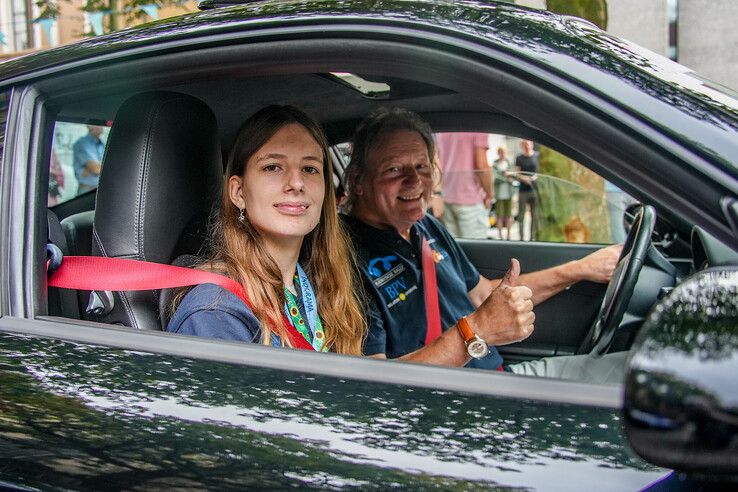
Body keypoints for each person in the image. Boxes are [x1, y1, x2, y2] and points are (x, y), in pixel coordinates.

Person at [343, 108, 625, 382]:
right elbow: (374, 384)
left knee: (638, 372)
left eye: (422, 167)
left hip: (497, 377)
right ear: (358, 181)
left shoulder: (425, 227)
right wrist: (476, 331)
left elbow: (482, 296)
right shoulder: (343, 257)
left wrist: (580, 269)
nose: (415, 181)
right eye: (394, 169)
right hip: (457, 407)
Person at [167, 105, 365, 355]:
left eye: (310, 168)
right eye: (273, 167)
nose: (296, 183)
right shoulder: (215, 314)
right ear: (238, 192)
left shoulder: (322, 286)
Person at [435, 132, 493, 239]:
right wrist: (489, 194)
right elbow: (482, 165)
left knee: (455, 249)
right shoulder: (478, 127)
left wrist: (437, 193)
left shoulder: (442, 130)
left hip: (447, 198)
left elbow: (436, 162)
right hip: (471, 200)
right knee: (476, 251)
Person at [515, 139, 538, 241]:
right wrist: (525, 179)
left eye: (529, 144)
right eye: (525, 144)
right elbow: (517, 174)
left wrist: (533, 178)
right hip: (523, 190)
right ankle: (521, 238)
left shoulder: (537, 156)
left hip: (534, 189)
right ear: (522, 146)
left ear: (532, 145)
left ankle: (532, 237)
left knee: (534, 215)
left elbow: (540, 172)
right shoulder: (519, 158)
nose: (527, 146)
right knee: (521, 215)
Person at [72, 124, 105, 193]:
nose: (101, 126)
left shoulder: (103, 144)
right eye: (98, 124)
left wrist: (98, 166)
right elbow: (96, 169)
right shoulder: (82, 144)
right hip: (87, 190)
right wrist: (99, 166)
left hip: (101, 189)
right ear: (89, 126)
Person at [492, 146, 514, 240]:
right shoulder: (495, 164)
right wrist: (505, 177)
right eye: (501, 152)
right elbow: (495, 178)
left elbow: (513, 177)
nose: (502, 154)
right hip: (499, 195)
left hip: (509, 194)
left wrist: (510, 177)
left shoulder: (509, 163)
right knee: (499, 216)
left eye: (504, 152)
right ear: (498, 153)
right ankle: (500, 236)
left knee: (508, 215)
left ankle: (508, 235)